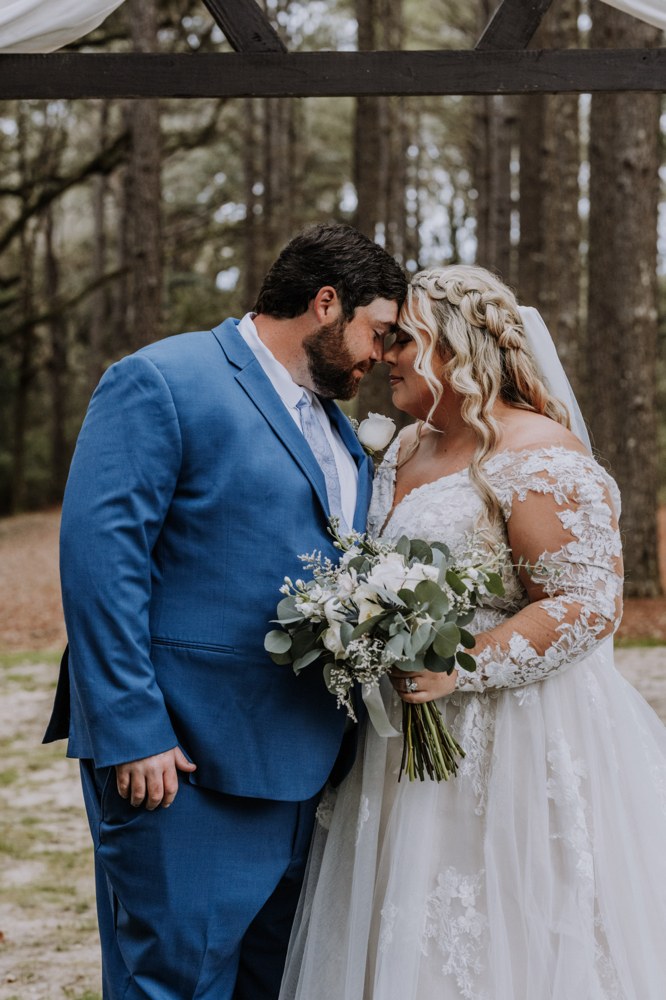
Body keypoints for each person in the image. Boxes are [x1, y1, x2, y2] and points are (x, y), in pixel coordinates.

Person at [280, 265, 666, 1000]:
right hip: (401, 747)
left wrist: (460, 665)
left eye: (403, 340)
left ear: (453, 348)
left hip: (513, 739)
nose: (386, 355)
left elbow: (586, 603)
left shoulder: (539, 454)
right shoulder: (402, 448)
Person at [43, 223, 407, 1000]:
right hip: (182, 769)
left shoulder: (341, 433)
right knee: (173, 985)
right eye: (378, 331)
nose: (382, 355)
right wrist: (132, 729)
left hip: (307, 775)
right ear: (325, 303)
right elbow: (102, 569)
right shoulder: (163, 380)